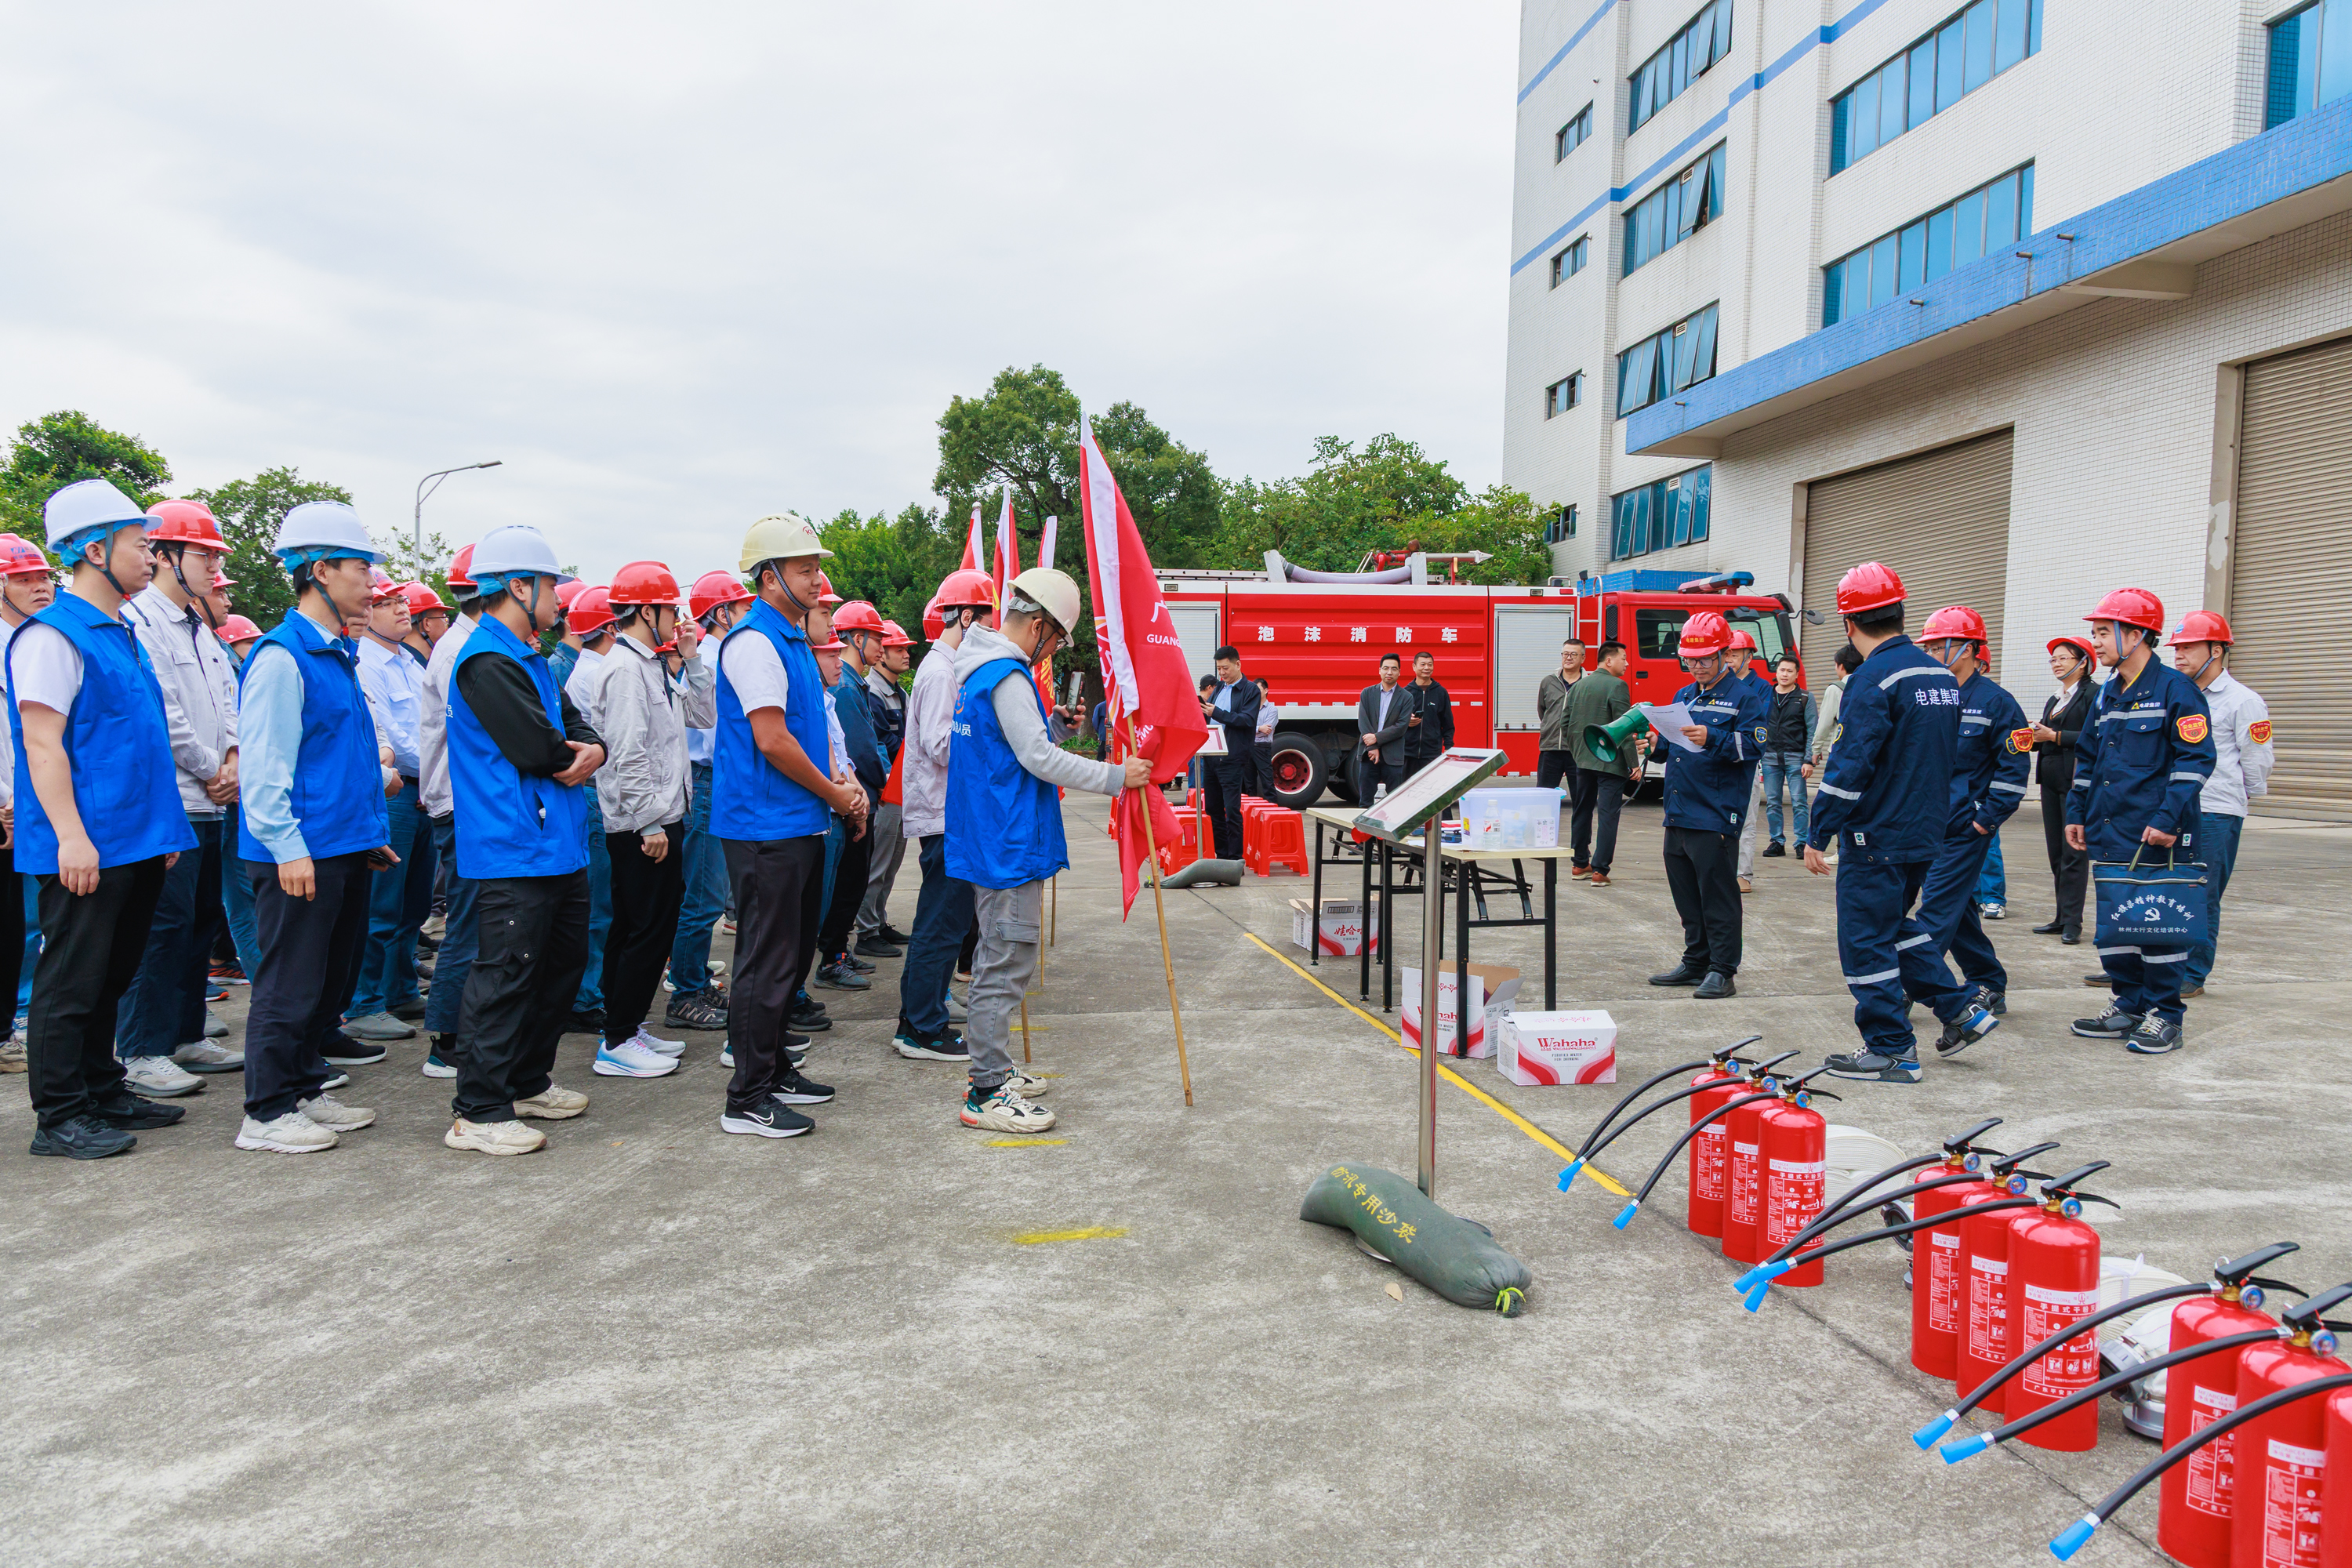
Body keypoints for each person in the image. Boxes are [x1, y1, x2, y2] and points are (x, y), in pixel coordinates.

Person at [12, 481, 198, 1158]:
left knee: (112, 975)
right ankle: (60, 1115)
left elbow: (140, 741)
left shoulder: (120, 632)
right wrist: (70, 836)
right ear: (95, 550)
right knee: (71, 981)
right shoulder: (52, 637)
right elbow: (42, 743)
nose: (151, 556)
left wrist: (163, 831)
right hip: (87, 842)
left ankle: (101, 1087)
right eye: (139, 544)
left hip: (135, 838)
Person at [948, 568, 1150, 1134]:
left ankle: (994, 1068)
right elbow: (1037, 759)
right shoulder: (1006, 674)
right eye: (1058, 639)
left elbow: (1012, 747)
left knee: (1001, 957)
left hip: (992, 836)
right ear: (1038, 626)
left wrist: (1053, 728)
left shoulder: (979, 669)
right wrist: (1117, 777)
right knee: (1005, 963)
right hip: (1006, 843)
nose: (1055, 651)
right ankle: (987, 1089)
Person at [233, 502, 401, 1153]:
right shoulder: (283, 657)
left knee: (327, 981)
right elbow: (265, 766)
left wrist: (365, 831)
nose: (371, 581)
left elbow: (339, 758)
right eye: (361, 567)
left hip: (341, 843)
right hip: (299, 851)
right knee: (290, 981)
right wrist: (287, 847)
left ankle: (303, 1086)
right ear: (321, 570)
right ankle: (266, 1111)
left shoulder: (336, 654)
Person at [443, 525, 606, 1152]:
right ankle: (479, 1109)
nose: (559, 598)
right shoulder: (487, 660)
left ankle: (527, 1080)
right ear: (518, 587)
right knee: (506, 975)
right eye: (550, 586)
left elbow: (577, 726)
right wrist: (579, 752)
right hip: (513, 845)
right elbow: (538, 747)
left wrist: (592, 749)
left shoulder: (528, 655)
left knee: (559, 969)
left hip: (553, 841)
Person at [1803, 565, 2000, 1084]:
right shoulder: (1940, 676)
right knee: (1895, 926)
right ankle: (1961, 1009)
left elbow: (1852, 764)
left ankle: (1891, 1049)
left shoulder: (1872, 678)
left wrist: (1818, 831)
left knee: (1864, 940)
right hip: (1925, 829)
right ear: (1900, 613)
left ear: (1849, 623)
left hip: (1877, 832)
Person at [713, 514, 857, 1138]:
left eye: (817, 568)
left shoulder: (793, 639)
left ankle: (772, 1071)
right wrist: (835, 794)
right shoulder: (755, 642)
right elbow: (771, 740)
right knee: (764, 962)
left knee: (790, 957)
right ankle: (747, 1097)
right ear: (769, 578)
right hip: (763, 825)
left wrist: (838, 782)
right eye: (805, 569)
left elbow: (807, 730)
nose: (817, 580)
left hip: (796, 820)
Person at [112, 499, 242, 1093]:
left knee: (199, 922)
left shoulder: (200, 627)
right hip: (174, 801)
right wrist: (214, 767)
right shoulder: (140, 621)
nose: (215, 567)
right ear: (165, 555)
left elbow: (228, 702)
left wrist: (233, 759)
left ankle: (186, 1034)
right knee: (160, 930)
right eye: (203, 554)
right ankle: (142, 1050)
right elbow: (163, 714)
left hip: (213, 798)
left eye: (217, 556)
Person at [2066, 588, 2216, 1055]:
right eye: (2095, 633)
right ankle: (2128, 1004)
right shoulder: (2107, 694)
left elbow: (2196, 760)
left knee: (2160, 926)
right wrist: (2076, 812)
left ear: (2135, 635)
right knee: (2118, 925)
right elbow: (2088, 758)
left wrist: (2168, 818)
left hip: (2157, 833)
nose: (2097, 642)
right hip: (2110, 827)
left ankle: (2165, 1015)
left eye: (2103, 632)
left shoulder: (2176, 690)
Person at [591, 561, 714, 1077]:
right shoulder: (625, 669)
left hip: (660, 818)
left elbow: (704, 716)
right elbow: (627, 751)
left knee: (641, 928)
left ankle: (626, 1027)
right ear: (647, 611)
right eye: (670, 609)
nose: (677, 618)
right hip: (644, 826)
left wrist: (692, 657)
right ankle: (618, 1039)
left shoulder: (652, 665)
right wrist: (648, 823)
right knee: (645, 931)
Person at [1907, 604, 2030, 1024]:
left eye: (1939, 646)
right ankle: (1988, 980)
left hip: (1964, 828)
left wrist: (1985, 818)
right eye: (1928, 647)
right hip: (1925, 825)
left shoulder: (1997, 703)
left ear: (1969, 649)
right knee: (1956, 910)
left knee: (1934, 911)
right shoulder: (1929, 698)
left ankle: (1904, 987)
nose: (1932, 653)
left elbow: (2014, 770)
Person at [893, 569, 995, 1062]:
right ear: (966, 617)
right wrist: (991, 744)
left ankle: (924, 1011)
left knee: (946, 922)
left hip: (950, 815)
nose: (993, 631)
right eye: (988, 620)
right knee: (941, 923)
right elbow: (940, 744)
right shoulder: (940, 673)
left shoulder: (950, 668)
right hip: (943, 817)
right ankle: (921, 1028)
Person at [1648, 612, 1767, 1000]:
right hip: (1678, 809)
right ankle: (1696, 961)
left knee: (1718, 897)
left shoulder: (1745, 697)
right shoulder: (1684, 695)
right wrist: (1655, 745)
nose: (1696, 666)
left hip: (1715, 812)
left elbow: (1754, 746)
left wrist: (1712, 736)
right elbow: (1673, 748)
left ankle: (1722, 970)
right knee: (1686, 895)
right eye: (1690, 660)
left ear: (1724, 655)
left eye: (1704, 659)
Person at [344, 568, 437, 1042]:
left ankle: (400, 989)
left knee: (413, 904)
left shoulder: (409, 663)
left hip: (424, 791)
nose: (402, 609)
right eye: (387, 602)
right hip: (396, 791)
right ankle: (365, 1002)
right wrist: (434, 766)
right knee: (381, 906)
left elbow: (433, 723)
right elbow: (393, 738)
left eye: (402, 601)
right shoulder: (365, 662)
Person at [665, 570, 752, 1032]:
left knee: (708, 894)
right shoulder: (716, 658)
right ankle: (686, 992)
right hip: (709, 781)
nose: (748, 612)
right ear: (721, 614)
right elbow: (717, 731)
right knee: (703, 895)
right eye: (741, 606)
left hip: (714, 781)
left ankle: (694, 981)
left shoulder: (718, 655)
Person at [2166, 611, 2267, 1001]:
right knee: (2164, 888)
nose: (2179, 655)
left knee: (2201, 893)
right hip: (2172, 807)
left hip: (2215, 809)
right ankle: (2152, 965)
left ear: (2217, 650)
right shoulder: (2176, 693)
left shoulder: (2244, 701)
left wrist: (2241, 798)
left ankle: (2193, 973)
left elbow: (2257, 758)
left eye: (2189, 647)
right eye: (2177, 648)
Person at [416, 545, 484, 1080]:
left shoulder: (465, 643)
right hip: (463, 803)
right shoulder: (463, 650)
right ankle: (448, 1041)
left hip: (466, 800)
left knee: (478, 920)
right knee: (470, 922)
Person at [0, 534, 56, 1077]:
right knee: (21, 923)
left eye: (43, 578)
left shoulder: (42, 642)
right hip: (11, 806)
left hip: (33, 801)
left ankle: (22, 1019)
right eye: (24, 579)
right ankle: (17, 1021)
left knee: (34, 920)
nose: (40, 587)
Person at [815, 600, 887, 988]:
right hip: (856, 797)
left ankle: (839, 950)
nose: (883, 647)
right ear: (858, 639)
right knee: (846, 883)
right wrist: (879, 784)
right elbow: (860, 749)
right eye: (877, 639)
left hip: (861, 794)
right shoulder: (844, 687)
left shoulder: (851, 684)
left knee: (853, 882)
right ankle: (832, 956)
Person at [561, 586, 617, 1036]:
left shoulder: (589, 669)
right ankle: (585, 998)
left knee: (601, 905)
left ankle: (588, 992)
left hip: (599, 793)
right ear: (611, 628)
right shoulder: (597, 674)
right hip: (599, 793)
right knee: (598, 908)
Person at [853, 619, 915, 957]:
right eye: (897, 648)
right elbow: (877, 743)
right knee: (877, 865)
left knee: (891, 864)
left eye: (906, 649)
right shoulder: (872, 692)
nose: (905, 654)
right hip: (884, 789)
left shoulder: (900, 693)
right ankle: (866, 932)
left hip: (899, 788)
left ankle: (878, 921)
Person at [2029, 635, 2096, 942]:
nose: (2056, 663)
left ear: (2083, 663)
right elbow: (2047, 736)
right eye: (2053, 659)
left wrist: (2054, 736)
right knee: (2056, 851)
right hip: (2050, 779)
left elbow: (2095, 736)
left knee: (2074, 852)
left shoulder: (2093, 695)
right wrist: (2032, 737)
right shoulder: (2055, 699)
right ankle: (2060, 916)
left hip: (2075, 781)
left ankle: (2073, 923)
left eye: (2063, 658)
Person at [1565, 639, 1640, 885]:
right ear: (1609, 660)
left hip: (1583, 760)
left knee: (1582, 810)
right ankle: (1600, 870)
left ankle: (1579, 864)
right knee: (1608, 815)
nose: (1627, 664)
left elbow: (1566, 724)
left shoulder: (1578, 685)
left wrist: (1579, 753)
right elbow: (1624, 728)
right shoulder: (1618, 686)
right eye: (1623, 658)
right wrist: (1634, 763)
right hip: (1610, 763)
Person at [1200, 647, 1259, 858]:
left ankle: (1235, 860)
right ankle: (1222, 856)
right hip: (1212, 757)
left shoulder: (1250, 690)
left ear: (1238, 664)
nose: (1222, 673)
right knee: (1213, 809)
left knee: (1232, 811)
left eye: (1225, 668)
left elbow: (1247, 720)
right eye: (1219, 668)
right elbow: (1212, 719)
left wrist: (1217, 712)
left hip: (1232, 758)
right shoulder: (1219, 689)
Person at [1755, 654, 1816, 858]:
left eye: (1790, 671)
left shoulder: (1805, 698)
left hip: (1795, 757)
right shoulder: (1766, 696)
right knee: (1773, 801)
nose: (1785, 674)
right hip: (1770, 757)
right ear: (1776, 672)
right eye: (1782, 670)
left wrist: (1808, 759)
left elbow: (1812, 730)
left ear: (1797, 675)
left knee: (1799, 802)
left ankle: (1801, 843)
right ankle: (1777, 842)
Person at [1354, 653, 1410, 799]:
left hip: (1393, 756)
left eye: (1394, 669)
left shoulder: (1406, 697)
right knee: (1365, 802)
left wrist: (1376, 738)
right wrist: (1372, 747)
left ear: (1399, 672)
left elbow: (1401, 726)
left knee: (1395, 801)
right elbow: (1363, 721)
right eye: (1386, 668)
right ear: (1380, 670)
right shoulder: (1367, 693)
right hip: (1368, 754)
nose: (1389, 672)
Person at [1535, 639, 1584, 793]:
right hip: (1551, 748)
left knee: (1581, 798)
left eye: (1573, 654)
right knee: (1544, 796)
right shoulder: (1548, 682)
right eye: (1565, 654)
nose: (1568, 658)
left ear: (1583, 658)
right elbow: (1543, 711)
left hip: (1578, 751)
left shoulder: (1588, 684)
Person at [1403, 651, 1454, 774]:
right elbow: (1394, 722)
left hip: (1432, 754)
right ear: (1414, 667)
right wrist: (1406, 722)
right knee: (1407, 785)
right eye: (1423, 664)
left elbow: (1448, 723)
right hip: (1407, 753)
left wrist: (1448, 747)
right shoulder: (1405, 693)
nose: (1426, 668)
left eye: (1430, 665)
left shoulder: (1441, 692)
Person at [1251, 676, 1280, 800]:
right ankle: (1250, 809)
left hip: (1262, 748)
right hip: (1248, 747)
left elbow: (1266, 731)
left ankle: (1273, 807)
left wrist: (1253, 729)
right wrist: (1259, 728)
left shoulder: (1272, 710)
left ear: (1266, 690)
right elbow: (1243, 727)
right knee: (1248, 783)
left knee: (1267, 781)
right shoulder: (1249, 708)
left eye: (1258, 690)